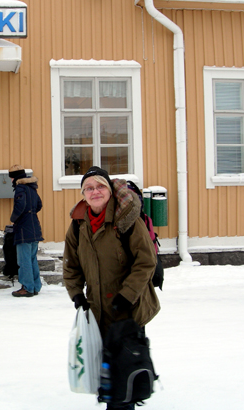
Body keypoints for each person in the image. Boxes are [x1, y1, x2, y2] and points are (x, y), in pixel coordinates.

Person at [63, 166, 160, 410]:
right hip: (97, 311)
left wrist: (127, 296)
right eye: (89, 188)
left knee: (124, 369)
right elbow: (70, 265)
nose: (95, 192)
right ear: (83, 194)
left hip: (128, 309)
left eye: (100, 186)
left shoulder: (126, 220)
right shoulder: (77, 225)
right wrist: (76, 293)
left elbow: (146, 261)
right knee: (105, 371)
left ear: (109, 190)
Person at [8, 165, 44, 297]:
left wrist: (14, 219)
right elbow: (39, 204)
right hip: (35, 226)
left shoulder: (20, 188)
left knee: (23, 260)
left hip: (24, 228)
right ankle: (35, 286)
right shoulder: (32, 187)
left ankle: (27, 288)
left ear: (15, 177)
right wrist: (31, 213)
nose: (11, 180)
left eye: (11, 177)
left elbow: (20, 205)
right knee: (32, 258)